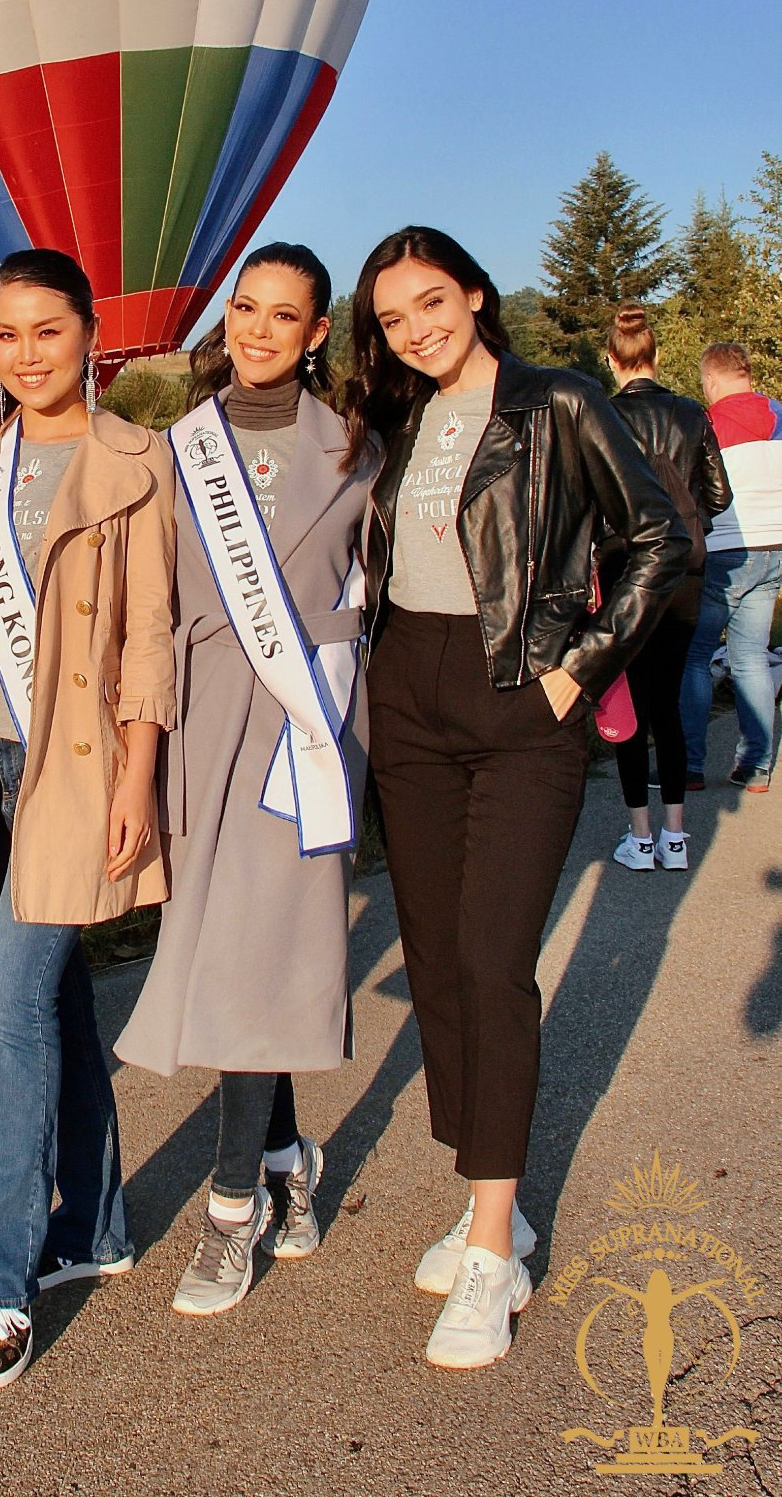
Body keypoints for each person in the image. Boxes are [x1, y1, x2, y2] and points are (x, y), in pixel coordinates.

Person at [347, 228, 686, 1371]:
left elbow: (658, 538)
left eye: (431, 301)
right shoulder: (398, 416)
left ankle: (494, 1242)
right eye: (392, 316)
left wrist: (577, 665)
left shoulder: (559, 401)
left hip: (517, 699)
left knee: (493, 962)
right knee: (435, 961)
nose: (414, 328)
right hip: (409, 697)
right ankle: (483, 1187)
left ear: (476, 293)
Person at [0, 248, 175, 1391]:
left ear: (90, 336)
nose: (25, 355)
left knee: (13, 1000)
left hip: (79, 769)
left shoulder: (139, 459)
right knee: (57, 996)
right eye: (4, 336)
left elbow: (153, 633)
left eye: (46, 331)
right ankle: (100, 1223)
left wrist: (135, 776)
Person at [116, 243, 377, 1316]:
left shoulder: (361, 447)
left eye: (286, 315)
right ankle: (281, 1162)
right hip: (199, 723)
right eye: (246, 308)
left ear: (318, 332)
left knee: (247, 957)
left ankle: (230, 1210)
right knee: (237, 954)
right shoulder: (173, 447)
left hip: (301, 732)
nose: (260, 329)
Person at [603, 306, 731, 872]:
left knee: (630, 706)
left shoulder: (601, 417)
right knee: (671, 704)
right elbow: (719, 495)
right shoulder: (690, 413)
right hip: (682, 571)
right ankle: (676, 838)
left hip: (625, 570)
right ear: (655, 356)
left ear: (612, 360)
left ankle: (640, 835)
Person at [680, 343, 782, 793]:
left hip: (725, 550)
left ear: (712, 379)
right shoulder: (779, 414)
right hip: (775, 547)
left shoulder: (708, 423)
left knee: (696, 656)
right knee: (750, 658)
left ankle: (690, 764)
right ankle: (755, 766)